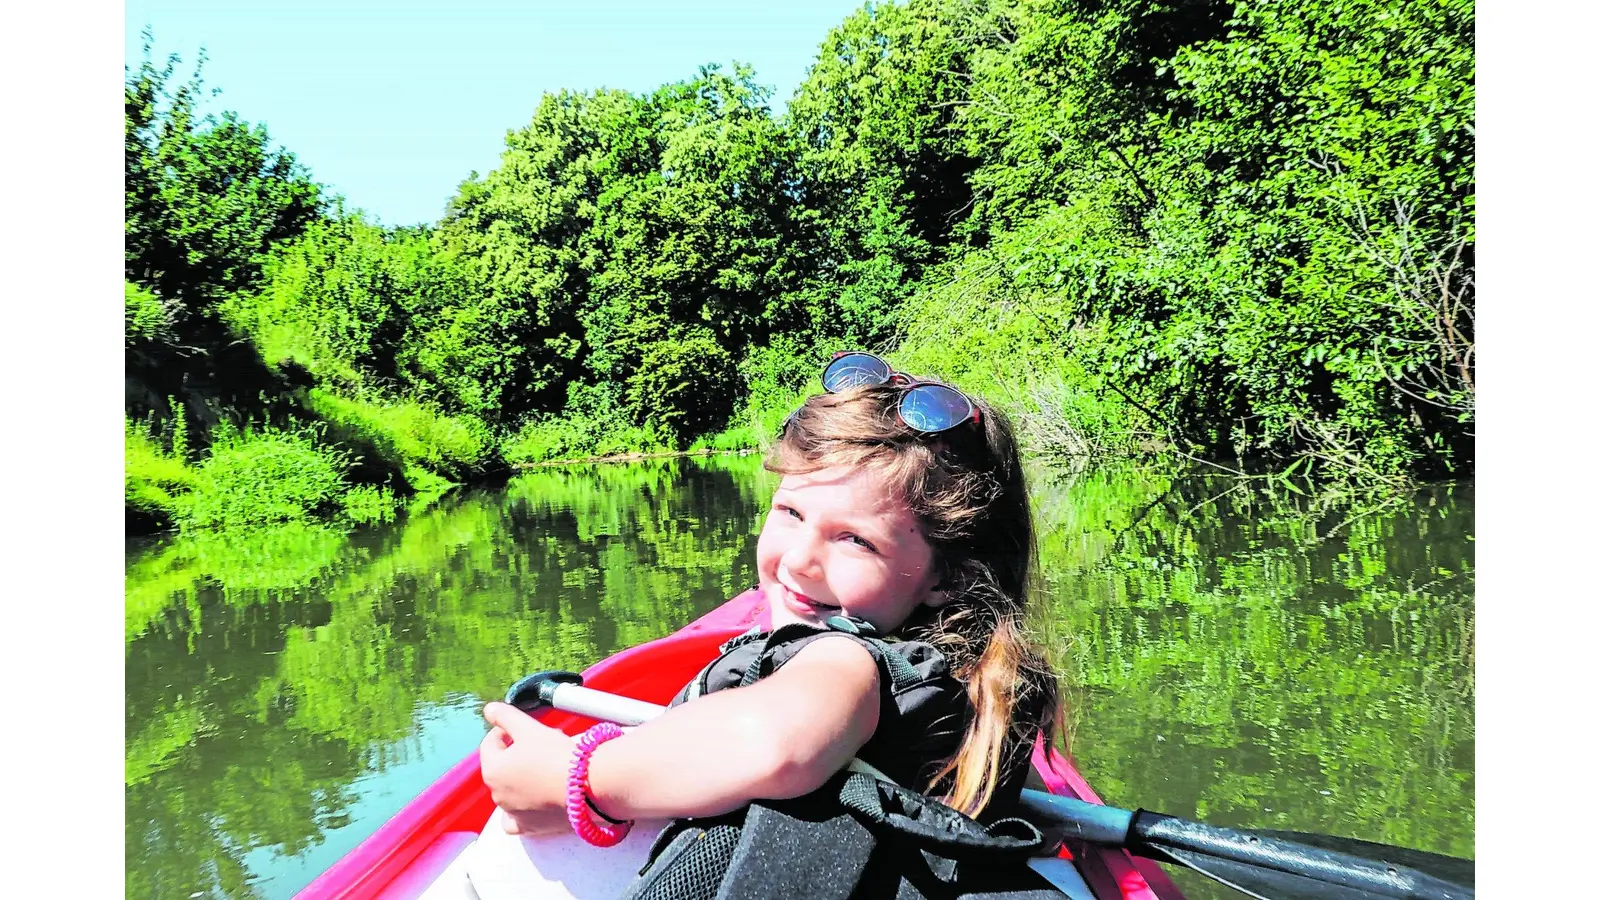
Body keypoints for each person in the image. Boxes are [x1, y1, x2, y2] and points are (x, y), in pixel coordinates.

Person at [459, 353, 1062, 899]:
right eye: (791, 512)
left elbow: (778, 744)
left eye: (855, 540)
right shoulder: (959, 669)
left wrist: (578, 780)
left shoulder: (847, 659)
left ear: (947, 578)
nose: (799, 560)